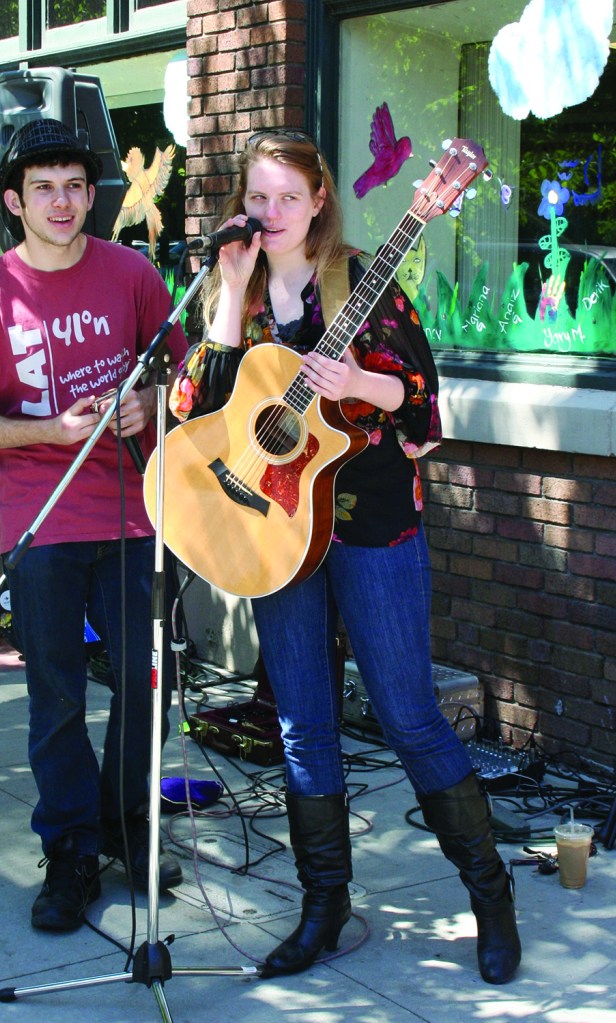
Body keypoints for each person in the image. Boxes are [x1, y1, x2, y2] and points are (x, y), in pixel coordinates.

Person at [169, 129, 521, 984]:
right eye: (259, 198)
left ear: (320, 199)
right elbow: (193, 408)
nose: (273, 214)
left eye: (290, 196)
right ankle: (323, 902)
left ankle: (490, 892)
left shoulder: (362, 277)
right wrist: (227, 294)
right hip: (276, 529)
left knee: (406, 713)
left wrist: (359, 385)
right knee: (301, 722)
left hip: (369, 522)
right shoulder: (237, 288)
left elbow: (423, 402)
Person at [0, 118, 188, 932]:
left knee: (151, 682)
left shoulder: (132, 273)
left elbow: (177, 367)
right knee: (58, 698)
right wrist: (50, 430)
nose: (63, 201)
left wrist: (150, 403)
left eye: (75, 184)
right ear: (15, 200)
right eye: (44, 188)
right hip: (39, 521)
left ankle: (124, 823)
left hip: (133, 515)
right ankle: (69, 849)